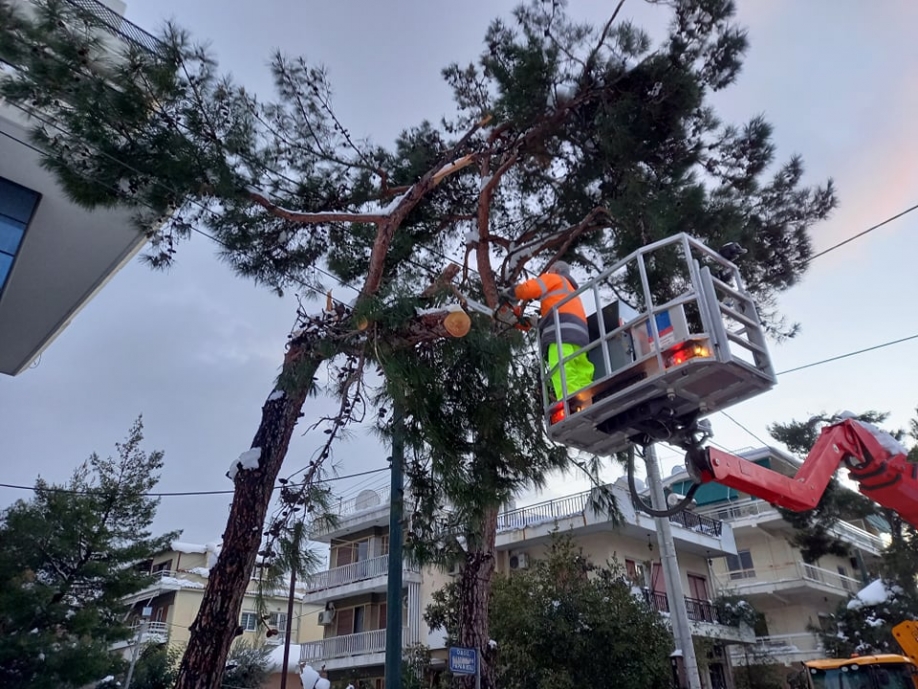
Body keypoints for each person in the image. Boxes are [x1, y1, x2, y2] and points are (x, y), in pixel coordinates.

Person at [502, 261, 594, 400]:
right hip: (580, 336)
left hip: (561, 334)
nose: (548, 273)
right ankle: (589, 399)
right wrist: (535, 322)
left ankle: (572, 402)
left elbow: (529, 288)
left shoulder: (554, 278)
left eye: (550, 271)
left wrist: (511, 292)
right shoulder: (571, 290)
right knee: (581, 370)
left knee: (562, 367)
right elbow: (560, 313)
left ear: (555, 270)